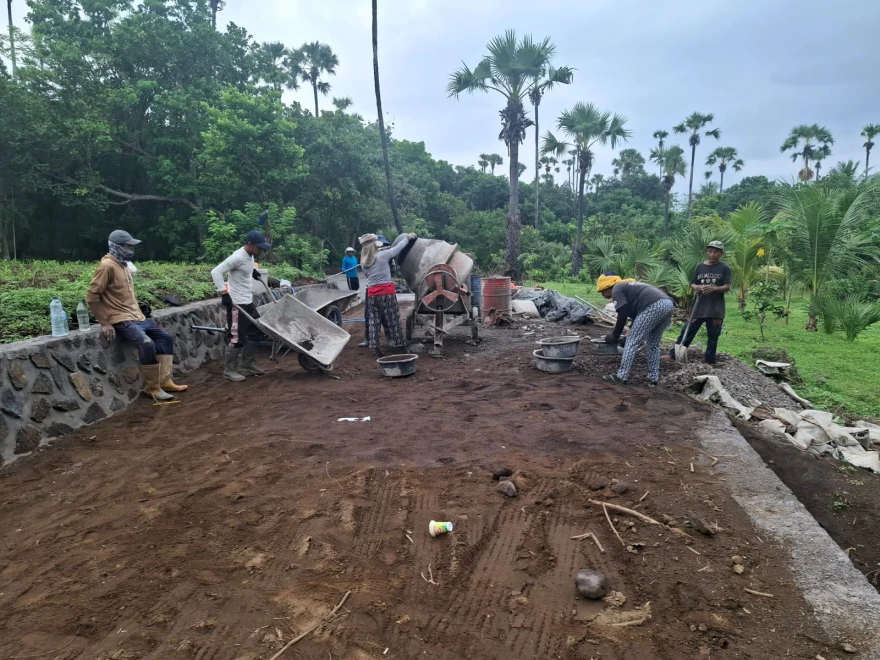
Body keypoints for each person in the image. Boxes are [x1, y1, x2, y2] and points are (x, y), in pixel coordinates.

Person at [87, 230, 188, 402]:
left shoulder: (124, 265)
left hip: (137, 317)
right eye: (127, 246)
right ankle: (153, 388)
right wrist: (104, 323)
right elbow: (92, 296)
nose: (131, 249)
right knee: (147, 344)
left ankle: (165, 381)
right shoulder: (107, 266)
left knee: (164, 338)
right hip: (121, 319)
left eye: (131, 246)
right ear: (116, 247)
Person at [211, 230, 271, 382]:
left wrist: (253, 272)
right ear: (249, 244)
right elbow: (216, 272)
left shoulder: (249, 256)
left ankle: (246, 364)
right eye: (259, 248)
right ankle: (229, 370)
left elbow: (243, 269)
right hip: (237, 303)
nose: (261, 251)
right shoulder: (237, 256)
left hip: (247, 301)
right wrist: (224, 293)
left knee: (258, 331)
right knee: (236, 337)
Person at [597, 274, 674, 385]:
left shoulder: (616, 289)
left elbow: (622, 313)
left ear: (607, 287)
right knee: (653, 344)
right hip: (667, 304)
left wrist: (615, 335)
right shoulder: (627, 287)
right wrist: (628, 333)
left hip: (653, 305)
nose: (603, 295)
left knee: (632, 342)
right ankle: (653, 377)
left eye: (602, 292)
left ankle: (621, 376)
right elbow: (638, 315)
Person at [669, 240, 731, 365]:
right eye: (710, 251)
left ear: (721, 253)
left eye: (715, 252)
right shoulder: (700, 267)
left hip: (715, 309)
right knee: (687, 330)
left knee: (713, 336)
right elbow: (692, 283)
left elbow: (727, 286)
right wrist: (696, 287)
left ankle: (709, 361)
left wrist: (715, 288)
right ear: (706, 252)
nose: (712, 254)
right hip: (699, 306)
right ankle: (674, 354)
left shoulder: (724, 268)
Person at [359, 232, 417, 357]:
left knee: (374, 321)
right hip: (386, 292)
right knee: (393, 319)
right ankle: (400, 347)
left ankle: (376, 350)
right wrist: (407, 237)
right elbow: (398, 248)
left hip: (372, 293)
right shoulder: (383, 255)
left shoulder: (363, 262)